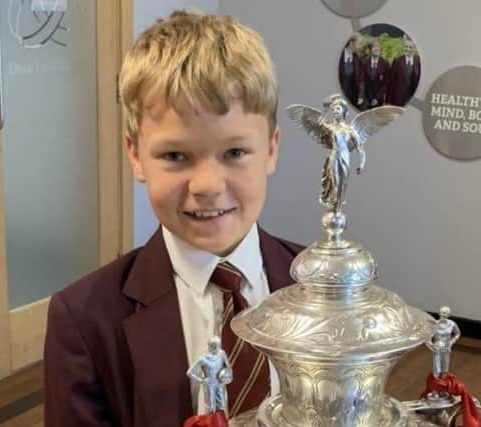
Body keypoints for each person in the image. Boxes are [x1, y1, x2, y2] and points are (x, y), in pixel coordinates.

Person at [43, 10, 303, 427]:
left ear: (271, 149)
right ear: (136, 155)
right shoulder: (85, 320)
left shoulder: (319, 285)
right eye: (175, 156)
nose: (207, 185)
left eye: (234, 153)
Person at [187, 337, 233, 414]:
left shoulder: (222, 354)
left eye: (217, 345)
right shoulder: (203, 358)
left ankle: (220, 422)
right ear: (209, 346)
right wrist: (201, 380)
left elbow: (228, 367)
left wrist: (229, 377)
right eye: (213, 345)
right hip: (209, 385)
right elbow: (189, 372)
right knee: (210, 408)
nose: (215, 347)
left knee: (222, 406)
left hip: (220, 383)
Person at [388, 36, 421, 107]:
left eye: (410, 47)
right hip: (398, 99)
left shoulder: (419, 61)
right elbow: (391, 81)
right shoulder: (397, 61)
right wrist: (388, 101)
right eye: (406, 47)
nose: (408, 49)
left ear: (414, 48)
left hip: (412, 99)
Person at [360, 39, 389, 110]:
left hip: (378, 99)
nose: (377, 48)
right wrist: (361, 96)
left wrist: (377, 98)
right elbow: (362, 81)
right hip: (366, 98)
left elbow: (386, 83)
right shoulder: (364, 63)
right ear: (370, 50)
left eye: (378, 46)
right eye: (374, 47)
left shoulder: (385, 64)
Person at [338, 34, 364, 109]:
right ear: (351, 43)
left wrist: (361, 96)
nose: (360, 46)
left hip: (352, 98)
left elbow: (361, 80)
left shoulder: (358, 60)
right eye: (359, 43)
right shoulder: (339, 57)